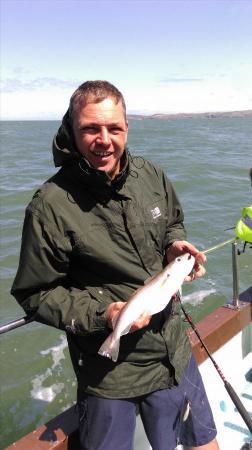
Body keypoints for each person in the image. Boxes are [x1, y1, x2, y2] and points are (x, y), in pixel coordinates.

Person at [11, 80, 219, 450]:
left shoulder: (151, 175)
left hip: (172, 354)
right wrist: (103, 315)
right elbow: (35, 292)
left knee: (203, 443)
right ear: (71, 130)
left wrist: (175, 245)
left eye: (114, 128)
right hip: (107, 375)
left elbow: (172, 220)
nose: (104, 139)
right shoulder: (50, 205)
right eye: (91, 128)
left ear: (127, 127)